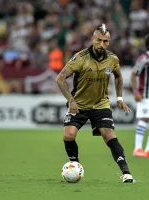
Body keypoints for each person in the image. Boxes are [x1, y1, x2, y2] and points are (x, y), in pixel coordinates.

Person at [55, 24, 135, 183]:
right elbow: (60, 78)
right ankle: (75, 165)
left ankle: (126, 173)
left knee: (109, 135)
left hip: (101, 104)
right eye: (99, 40)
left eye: (106, 41)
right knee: (68, 135)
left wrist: (119, 98)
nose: (102, 44)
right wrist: (70, 100)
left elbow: (118, 76)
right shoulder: (80, 58)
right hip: (79, 104)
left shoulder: (112, 59)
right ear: (92, 39)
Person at [131, 34, 149, 157]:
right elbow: (133, 74)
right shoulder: (144, 58)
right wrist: (136, 92)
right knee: (144, 119)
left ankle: (147, 150)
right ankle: (137, 149)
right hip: (145, 95)